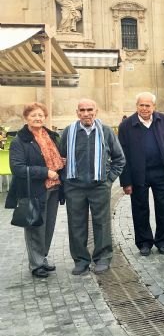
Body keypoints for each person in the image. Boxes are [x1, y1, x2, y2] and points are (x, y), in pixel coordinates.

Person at [58, 99, 125, 275]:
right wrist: (66, 180)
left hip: (99, 186)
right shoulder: (68, 132)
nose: (86, 113)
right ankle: (80, 260)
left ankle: (103, 258)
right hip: (74, 187)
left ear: (96, 111)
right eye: (82, 110)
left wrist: (108, 180)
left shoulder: (106, 131)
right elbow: (59, 159)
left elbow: (119, 158)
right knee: (76, 224)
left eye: (90, 110)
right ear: (77, 112)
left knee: (101, 223)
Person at [7, 103, 65, 278]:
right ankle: (36, 264)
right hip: (34, 190)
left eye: (40, 115)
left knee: (49, 226)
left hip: (54, 188)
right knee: (35, 227)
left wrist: (62, 161)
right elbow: (17, 168)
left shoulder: (51, 136)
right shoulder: (20, 140)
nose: (38, 118)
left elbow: (54, 156)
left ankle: (42, 257)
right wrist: (45, 172)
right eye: (33, 116)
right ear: (26, 118)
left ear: (45, 117)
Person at [119, 92, 164, 256]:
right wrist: (126, 181)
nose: (144, 108)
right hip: (139, 175)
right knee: (140, 209)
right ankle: (144, 243)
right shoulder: (126, 125)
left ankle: (163, 242)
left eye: (147, 105)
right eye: (141, 105)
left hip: (161, 173)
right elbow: (122, 155)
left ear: (154, 107)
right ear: (136, 106)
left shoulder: (163, 120)